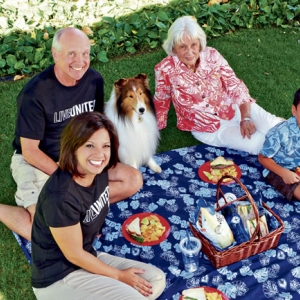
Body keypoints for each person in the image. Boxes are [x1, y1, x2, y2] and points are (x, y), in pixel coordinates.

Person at [0, 27, 142, 241]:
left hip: (80, 154)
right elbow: (30, 152)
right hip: (39, 161)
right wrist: (69, 179)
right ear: (55, 54)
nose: (80, 61)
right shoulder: (34, 94)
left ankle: (76, 208)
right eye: (72, 54)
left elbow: (96, 124)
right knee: (47, 234)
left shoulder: (93, 79)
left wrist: (102, 153)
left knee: (133, 180)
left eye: (85, 53)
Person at [31, 112, 166, 300]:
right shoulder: (60, 197)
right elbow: (75, 255)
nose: (99, 154)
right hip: (59, 276)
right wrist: (119, 276)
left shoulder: (98, 170)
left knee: (156, 279)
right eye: (89, 145)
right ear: (73, 147)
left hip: (89, 256)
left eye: (106, 146)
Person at [153, 15, 283, 155]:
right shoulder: (164, 69)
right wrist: (153, 127)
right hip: (209, 128)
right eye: (182, 47)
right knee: (257, 143)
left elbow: (234, 84)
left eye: (194, 45)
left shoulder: (212, 55)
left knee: (276, 127)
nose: (189, 52)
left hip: (235, 106)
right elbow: (161, 99)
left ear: (200, 43)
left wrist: (245, 117)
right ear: (173, 48)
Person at [258, 89, 300, 201]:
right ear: (294, 110)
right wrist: (284, 173)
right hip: (278, 170)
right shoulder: (281, 132)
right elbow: (262, 158)